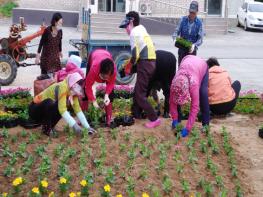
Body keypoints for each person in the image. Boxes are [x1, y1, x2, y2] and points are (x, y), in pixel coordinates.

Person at [119, 11, 160, 128]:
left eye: (126, 26)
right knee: (138, 90)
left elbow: (135, 55)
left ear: (131, 22)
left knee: (139, 95)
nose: (126, 30)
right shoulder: (142, 28)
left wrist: (128, 67)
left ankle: (154, 119)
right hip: (152, 62)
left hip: (145, 63)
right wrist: (129, 66)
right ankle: (136, 114)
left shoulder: (133, 33)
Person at [29, 73, 96, 136]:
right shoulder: (63, 87)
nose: (80, 88)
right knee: (51, 103)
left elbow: (78, 110)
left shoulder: (73, 92)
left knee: (60, 106)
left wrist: (88, 127)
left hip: (43, 111)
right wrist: (75, 126)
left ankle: (48, 127)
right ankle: (46, 129)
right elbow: (62, 110)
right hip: (34, 109)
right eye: (79, 85)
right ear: (73, 83)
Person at [170, 55, 209, 137]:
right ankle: (177, 122)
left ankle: (206, 124)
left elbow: (195, 107)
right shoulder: (174, 83)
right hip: (187, 59)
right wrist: (175, 119)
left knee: (203, 94)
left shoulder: (193, 85)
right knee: (175, 100)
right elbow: (172, 102)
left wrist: (187, 129)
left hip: (201, 65)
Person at [84, 49, 117, 127]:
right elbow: (88, 87)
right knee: (84, 90)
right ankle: (83, 116)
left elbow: (111, 83)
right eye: (103, 77)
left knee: (111, 94)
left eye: (107, 77)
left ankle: (108, 118)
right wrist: (93, 100)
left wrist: (107, 95)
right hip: (94, 55)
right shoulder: (94, 69)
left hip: (106, 54)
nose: (104, 79)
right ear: (100, 71)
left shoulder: (113, 70)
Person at [172, 1, 203, 65]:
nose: (191, 14)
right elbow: (176, 32)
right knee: (181, 67)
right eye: (190, 12)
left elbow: (200, 39)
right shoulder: (183, 19)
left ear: (197, 12)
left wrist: (194, 45)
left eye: (193, 13)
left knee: (190, 70)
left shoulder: (199, 23)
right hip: (182, 48)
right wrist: (175, 39)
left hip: (192, 50)